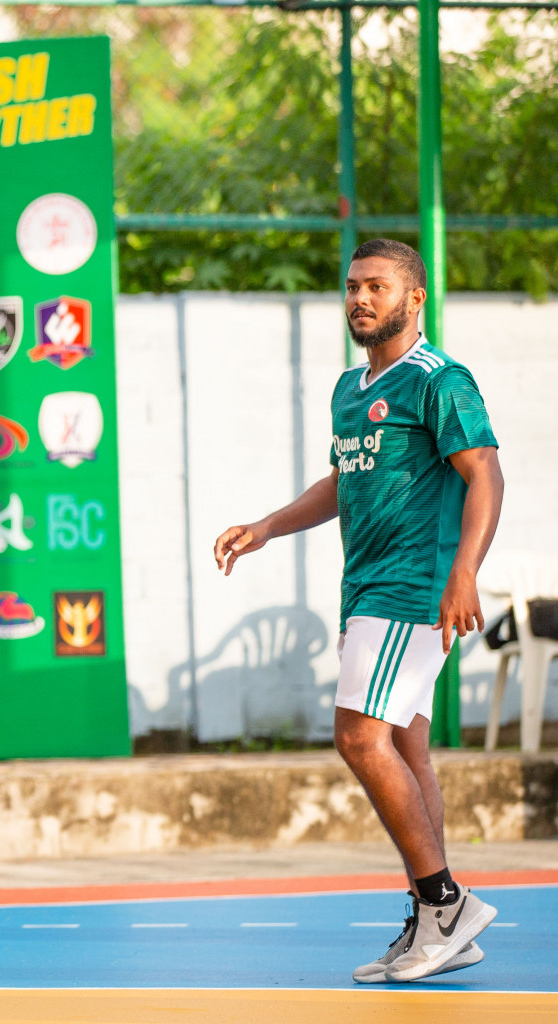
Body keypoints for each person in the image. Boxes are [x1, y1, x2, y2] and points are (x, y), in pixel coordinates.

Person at [213, 239, 503, 984]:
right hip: (366, 583)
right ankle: (435, 925)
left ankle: (446, 901)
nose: (361, 299)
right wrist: (269, 525)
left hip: (413, 585)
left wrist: (464, 569)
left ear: (416, 297)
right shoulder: (352, 386)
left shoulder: (440, 379)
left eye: (378, 286)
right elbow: (347, 478)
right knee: (404, 748)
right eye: (352, 287)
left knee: (358, 738)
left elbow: (484, 474)